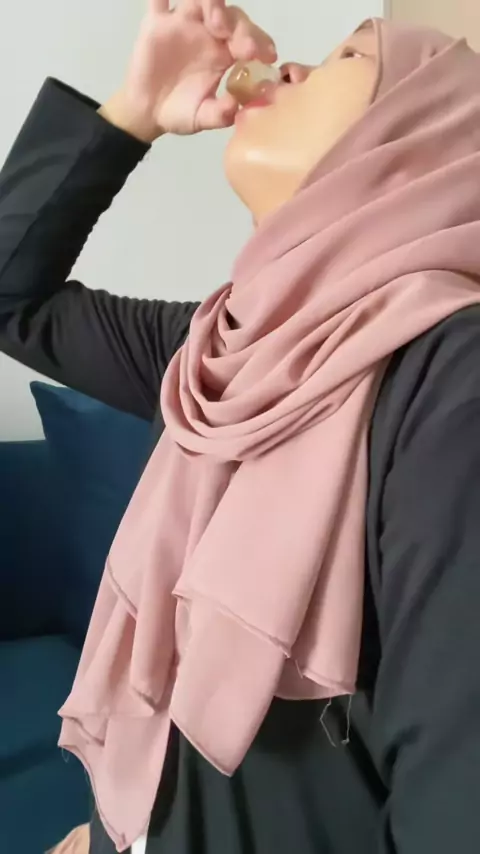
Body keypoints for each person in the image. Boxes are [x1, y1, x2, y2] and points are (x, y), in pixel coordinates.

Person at [2, 3, 480, 854]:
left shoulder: (452, 377)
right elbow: (13, 300)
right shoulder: (219, 349)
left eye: (350, 57)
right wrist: (136, 107)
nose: (291, 67)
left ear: (418, 138)